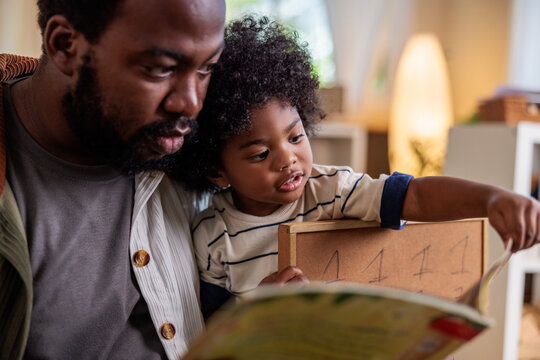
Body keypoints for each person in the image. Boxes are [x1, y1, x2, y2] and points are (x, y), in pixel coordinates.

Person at [174, 16, 540, 319]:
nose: (287, 159)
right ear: (216, 170)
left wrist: (491, 199)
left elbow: (419, 197)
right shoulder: (212, 234)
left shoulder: (331, 189)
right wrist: (256, 307)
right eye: (259, 154)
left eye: (296, 137)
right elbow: (210, 329)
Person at [0, 0, 225, 359]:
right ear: (65, 46)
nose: (192, 103)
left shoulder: (197, 150)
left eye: (207, 68)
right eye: (160, 69)